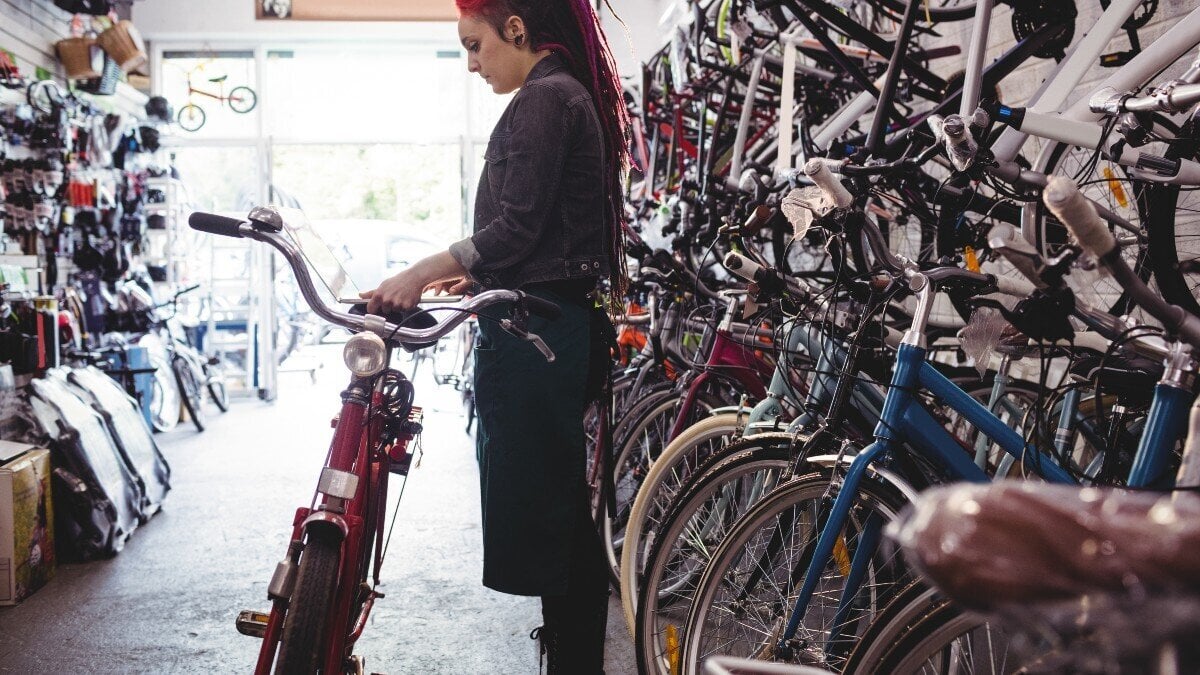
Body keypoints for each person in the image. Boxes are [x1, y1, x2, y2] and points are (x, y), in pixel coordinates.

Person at [360, 0, 628, 671]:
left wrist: (422, 271)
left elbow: (514, 226)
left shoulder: (545, 100)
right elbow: (537, 234)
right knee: (561, 517)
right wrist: (476, 275)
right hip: (549, 326)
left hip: (536, 338)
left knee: (556, 526)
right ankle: (572, 656)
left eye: (475, 45)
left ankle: (573, 660)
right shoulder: (561, 95)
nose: (473, 63)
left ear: (517, 29)